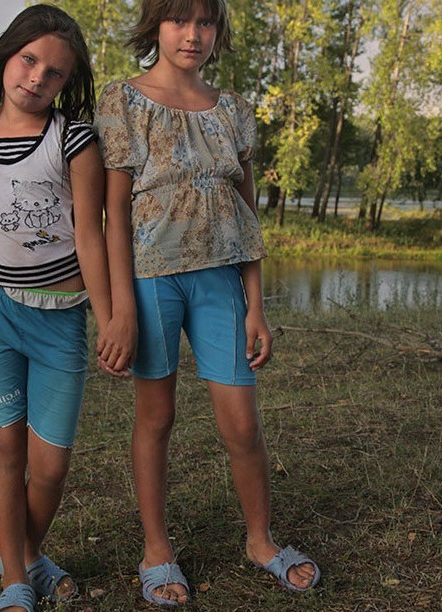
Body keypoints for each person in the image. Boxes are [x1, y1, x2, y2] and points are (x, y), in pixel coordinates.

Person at [95, 0, 320, 605]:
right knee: (157, 417)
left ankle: (260, 541)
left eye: (204, 22)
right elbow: (113, 215)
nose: (192, 34)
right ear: (156, 26)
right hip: (151, 280)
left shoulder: (234, 110)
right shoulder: (124, 100)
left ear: (217, 31)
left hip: (221, 280)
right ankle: (156, 549)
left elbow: (245, 213)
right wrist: (119, 309)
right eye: (178, 20)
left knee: (242, 422)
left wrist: (256, 304)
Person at [0, 6, 120, 612]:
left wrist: (109, 320)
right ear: (6, 55)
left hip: (60, 320)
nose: (38, 77)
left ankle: (25, 552)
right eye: (29, 59)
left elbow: (91, 236)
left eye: (55, 72)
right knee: (6, 451)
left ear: (67, 82)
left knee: (49, 467)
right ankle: (15, 580)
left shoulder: (73, 139)